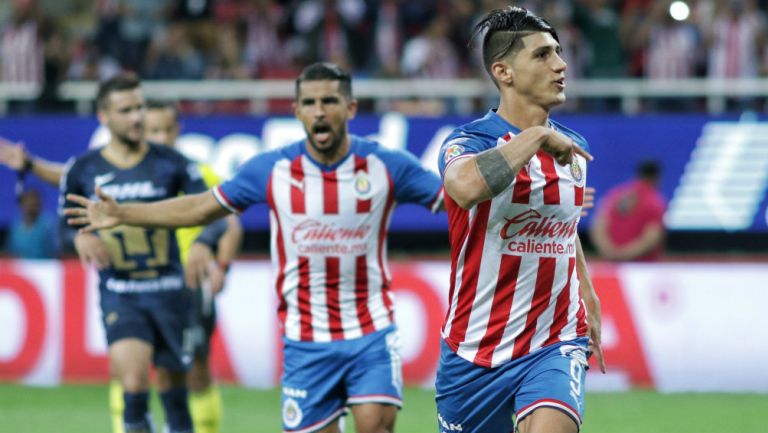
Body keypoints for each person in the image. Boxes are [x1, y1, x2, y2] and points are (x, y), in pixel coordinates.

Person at [65, 62, 444, 433]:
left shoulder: (387, 165)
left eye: (329, 101)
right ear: (296, 111)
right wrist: (125, 213)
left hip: (371, 330)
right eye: (309, 103)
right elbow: (200, 207)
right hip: (305, 338)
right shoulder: (271, 169)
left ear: (351, 108)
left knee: (375, 424)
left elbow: (455, 198)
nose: (319, 112)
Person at [0, 100, 240, 433]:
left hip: (185, 283)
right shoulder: (117, 168)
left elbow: (229, 222)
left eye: (164, 129)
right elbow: (76, 179)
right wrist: (31, 164)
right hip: (129, 288)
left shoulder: (193, 171)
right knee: (129, 372)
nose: (158, 136)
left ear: (177, 131)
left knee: (193, 372)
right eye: (151, 129)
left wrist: (219, 263)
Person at [435, 7, 605, 433]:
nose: (561, 65)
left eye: (559, 53)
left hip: (555, 340)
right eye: (543, 55)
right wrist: (537, 136)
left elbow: (563, 226)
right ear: (503, 72)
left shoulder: (574, 147)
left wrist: (587, 291)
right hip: (474, 348)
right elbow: (465, 187)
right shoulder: (468, 141)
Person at [60, 73, 230, 433]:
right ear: (104, 116)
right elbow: (64, 222)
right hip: (122, 294)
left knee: (174, 390)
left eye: (139, 107)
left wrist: (203, 242)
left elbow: (216, 215)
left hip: (171, 291)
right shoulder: (83, 169)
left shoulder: (173, 163)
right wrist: (78, 238)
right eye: (126, 110)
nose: (137, 117)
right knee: (134, 383)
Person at [590, 159, 665, 261]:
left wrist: (608, 251)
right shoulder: (654, 201)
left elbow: (599, 225)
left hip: (611, 263)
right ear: (657, 178)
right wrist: (624, 254)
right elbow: (652, 237)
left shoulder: (616, 194)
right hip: (641, 267)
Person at [5, 188, 58, 258]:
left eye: (34, 204)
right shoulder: (15, 226)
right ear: (21, 205)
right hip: (20, 266)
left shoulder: (48, 224)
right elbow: (11, 252)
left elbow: (56, 252)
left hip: (44, 266)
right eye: (28, 203)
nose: (31, 207)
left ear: (39, 204)